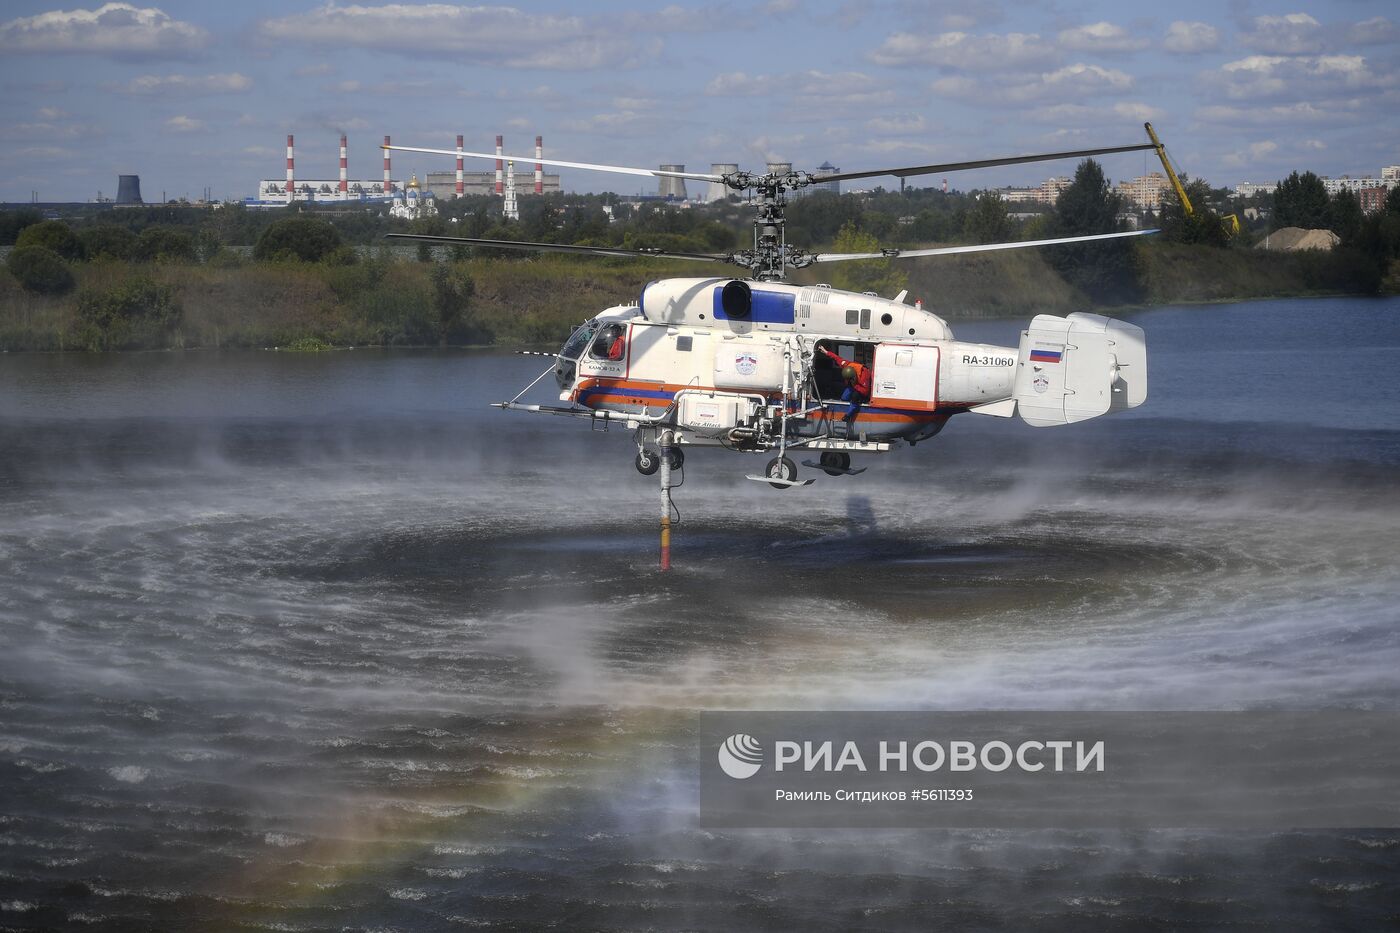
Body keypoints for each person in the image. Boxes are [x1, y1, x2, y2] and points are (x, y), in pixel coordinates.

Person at [817, 345, 871, 424]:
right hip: (853, 385)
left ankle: (849, 415)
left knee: (854, 397)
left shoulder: (864, 376)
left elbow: (865, 391)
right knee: (844, 397)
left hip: (860, 388)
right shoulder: (846, 365)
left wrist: (855, 389)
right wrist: (825, 351)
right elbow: (836, 358)